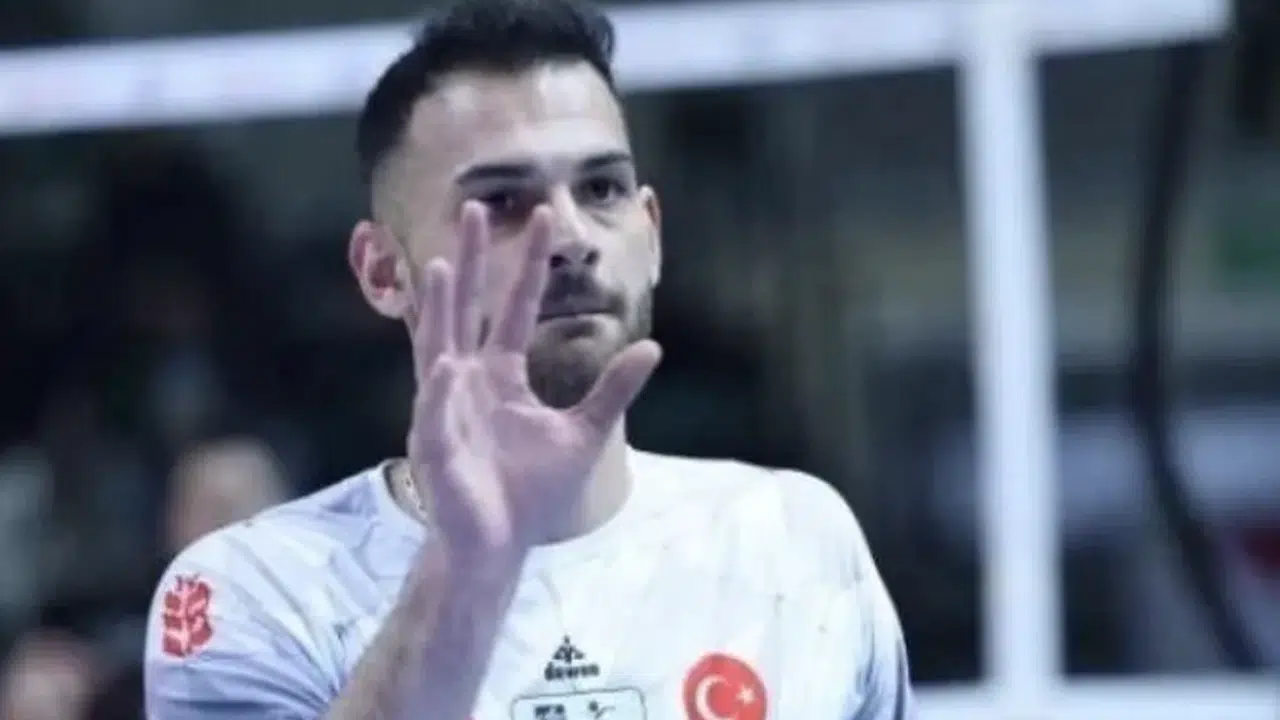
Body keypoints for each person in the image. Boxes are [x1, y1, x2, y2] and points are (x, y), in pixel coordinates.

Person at [143, 0, 914, 717]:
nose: (571, 236)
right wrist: (467, 565)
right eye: (502, 203)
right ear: (382, 271)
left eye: (602, 188)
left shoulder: (792, 542)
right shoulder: (257, 591)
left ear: (652, 234)